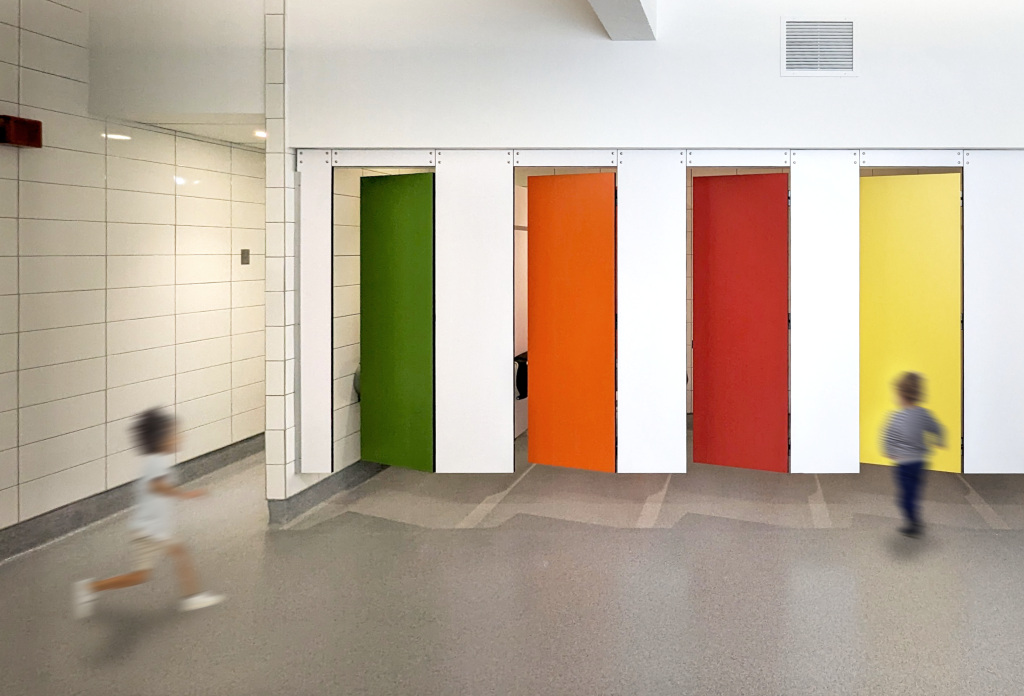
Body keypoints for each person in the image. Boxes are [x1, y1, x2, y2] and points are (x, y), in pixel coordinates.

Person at [73, 409, 225, 618]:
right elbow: (158, 487)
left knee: (143, 574)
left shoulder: (156, 460)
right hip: (149, 531)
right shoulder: (157, 462)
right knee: (166, 561)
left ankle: (91, 588)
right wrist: (189, 495)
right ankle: (191, 597)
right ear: (160, 439)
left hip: (150, 529)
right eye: (174, 434)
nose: (179, 437)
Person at [881, 372, 945, 538]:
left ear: (901, 395)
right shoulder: (923, 414)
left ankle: (913, 522)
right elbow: (937, 427)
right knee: (915, 489)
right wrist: (939, 440)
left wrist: (889, 451)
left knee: (905, 495)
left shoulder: (897, 418)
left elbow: (888, 437)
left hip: (904, 464)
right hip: (920, 462)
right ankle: (914, 513)